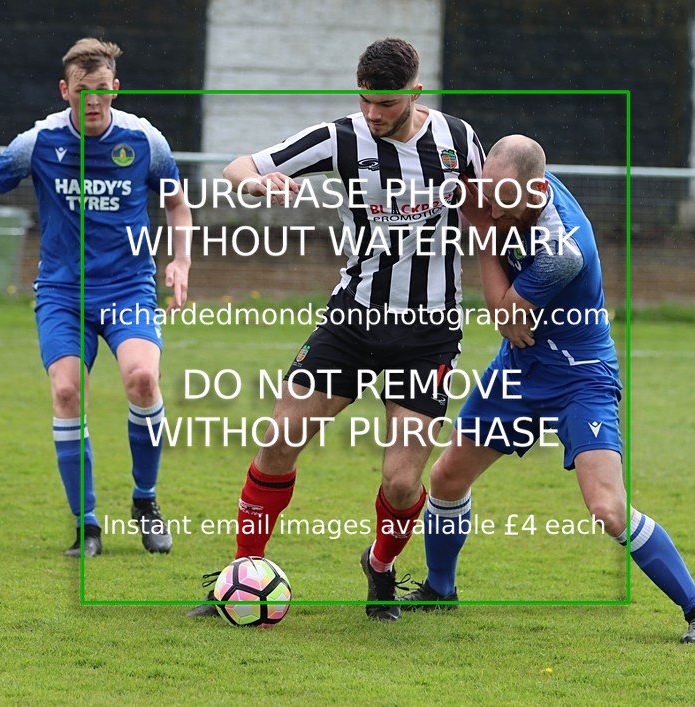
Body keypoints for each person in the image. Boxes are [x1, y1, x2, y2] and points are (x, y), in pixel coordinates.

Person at [187, 37, 485, 621]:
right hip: (353, 319)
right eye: (366, 101)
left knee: (402, 484)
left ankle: (380, 566)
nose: (374, 114)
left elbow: (490, 209)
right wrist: (255, 183)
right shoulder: (341, 137)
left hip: (428, 333)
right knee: (278, 440)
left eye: (388, 105)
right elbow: (238, 164)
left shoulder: (459, 140)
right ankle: (243, 571)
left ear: (415, 93)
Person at [398, 135, 695, 643]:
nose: (491, 205)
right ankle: (441, 590)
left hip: (580, 373)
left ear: (537, 190)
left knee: (607, 508)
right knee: (445, 479)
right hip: (521, 366)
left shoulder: (561, 248)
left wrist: (483, 233)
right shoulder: (498, 191)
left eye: (502, 199)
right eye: (488, 193)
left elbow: (504, 313)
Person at [0, 38, 193, 558]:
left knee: (142, 378)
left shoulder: (144, 139)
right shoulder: (39, 141)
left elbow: (178, 207)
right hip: (63, 292)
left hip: (128, 286)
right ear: (65, 90)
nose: (92, 102)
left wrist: (180, 261)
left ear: (115, 88)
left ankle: (146, 500)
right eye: (81, 92)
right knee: (66, 392)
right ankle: (86, 525)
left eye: (102, 92)